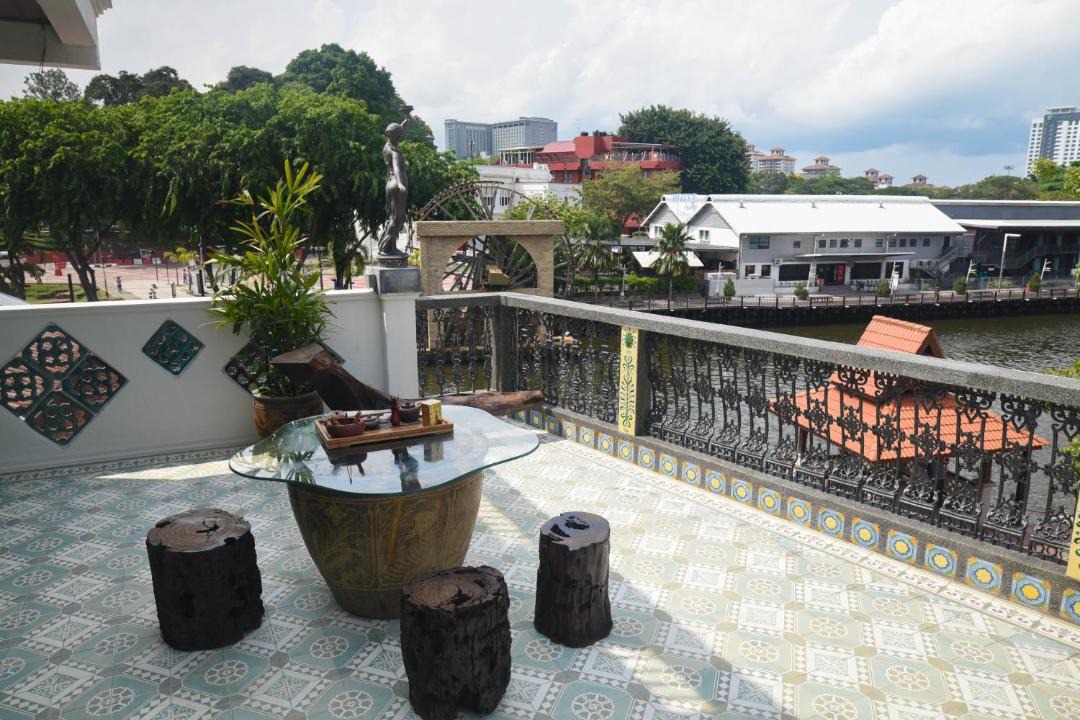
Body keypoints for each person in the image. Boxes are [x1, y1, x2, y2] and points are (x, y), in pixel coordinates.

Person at [376, 104, 413, 259]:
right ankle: (387, 247)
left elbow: (402, 127)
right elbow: (397, 169)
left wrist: (407, 116)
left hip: (390, 183)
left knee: (394, 217)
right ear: (397, 136)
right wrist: (401, 185)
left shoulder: (388, 145)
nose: (402, 136)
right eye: (401, 135)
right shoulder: (395, 151)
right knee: (397, 218)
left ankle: (389, 247)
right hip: (396, 184)